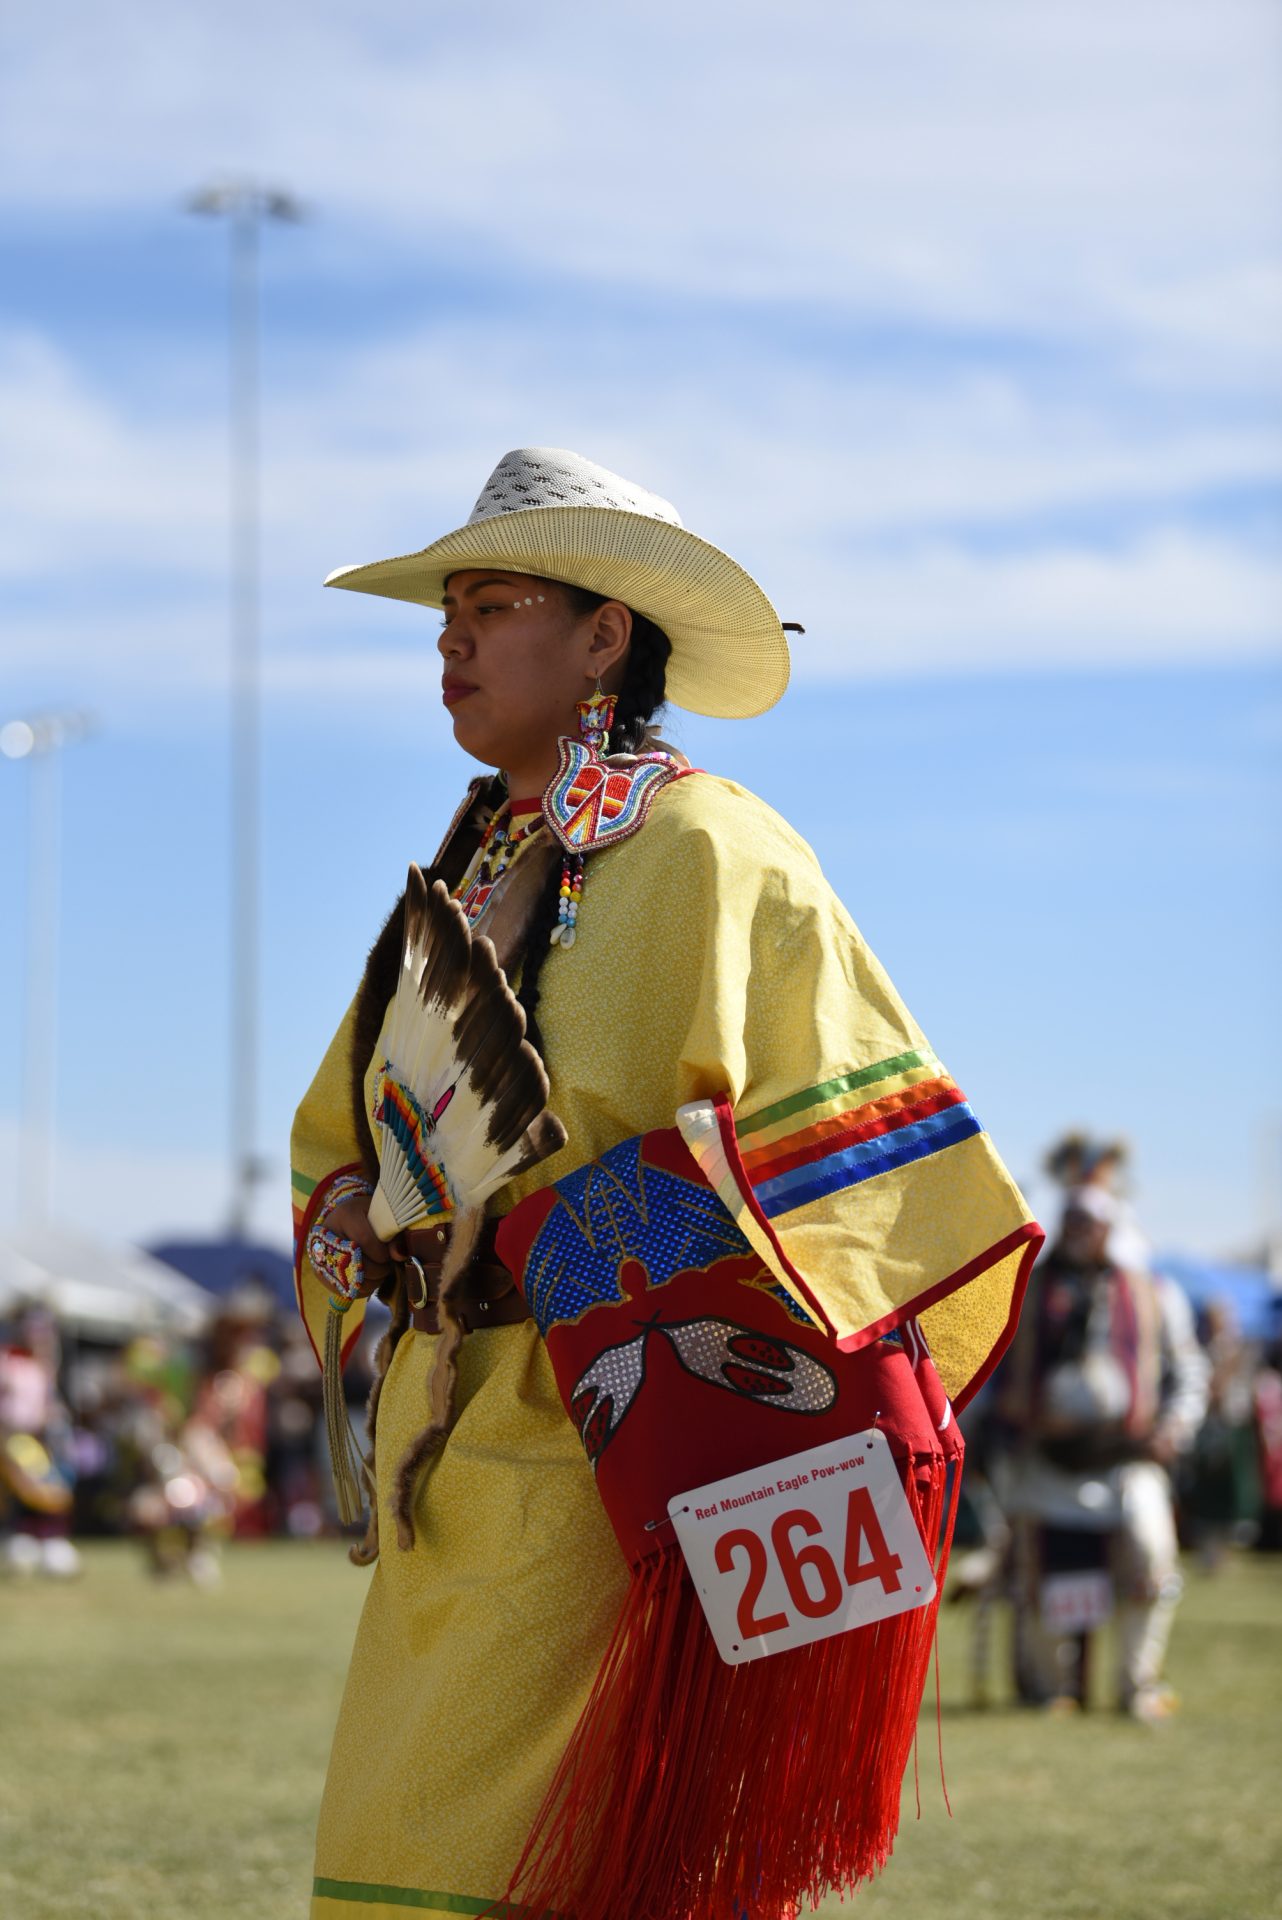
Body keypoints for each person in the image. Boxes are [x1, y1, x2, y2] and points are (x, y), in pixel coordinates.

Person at [291, 447, 1040, 1920]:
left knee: (587, 1869)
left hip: (630, 1456)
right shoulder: (463, 874)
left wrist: (607, 1240)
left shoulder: (715, 850)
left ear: (602, 636)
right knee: (401, 1856)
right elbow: (345, 1138)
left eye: (494, 601)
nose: (452, 634)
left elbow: (858, 1160)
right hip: (461, 1445)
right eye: (446, 606)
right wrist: (362, 1229)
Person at [998, 1182, 1206, 1719]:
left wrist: (1174, 1428)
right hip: (1048, 1461)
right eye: (1071, 1220)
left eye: (1090, 1221)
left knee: (1152, 1561)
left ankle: (1137, 1685)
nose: (1078, 1231)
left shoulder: (1155, 1292)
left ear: (1111, 1228)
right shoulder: (1028, 1290)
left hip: (1128, 1461)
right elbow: (996, 1371)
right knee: (1049, 1574)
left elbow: (1188, 1370)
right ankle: (1053, 1686)